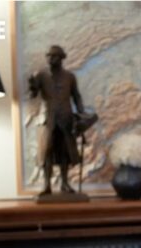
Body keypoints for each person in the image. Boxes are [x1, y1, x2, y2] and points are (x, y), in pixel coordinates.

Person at [29, 45, 84, 196]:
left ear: (61, 58)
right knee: (47, 152)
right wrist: (32, 86)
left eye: (53, 56)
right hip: (48, 119)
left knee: (65, 152)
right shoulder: (41, 75)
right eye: (48, 56)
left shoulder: (70, 77)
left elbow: (76, 96)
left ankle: (65, 183)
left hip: (65, 118)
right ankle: (47, 185)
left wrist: (81, 113)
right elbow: (33, 95)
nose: (50, 59)